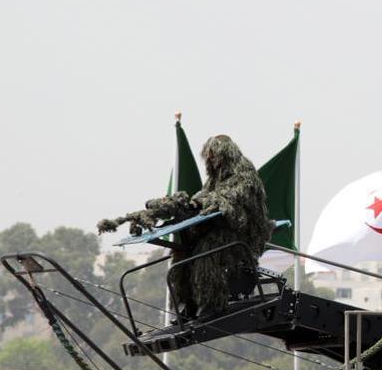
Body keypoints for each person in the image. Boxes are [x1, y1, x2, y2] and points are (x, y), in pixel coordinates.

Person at [98, 134, 273, 320]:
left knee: (206, 252)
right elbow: (203, 195)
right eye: (209, 156)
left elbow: (231, 200)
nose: (211, 160)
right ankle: (190, 304)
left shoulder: (244, 175)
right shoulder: (215, 179)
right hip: (220, 229)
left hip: (241, 233)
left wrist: (202, 203)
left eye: (214, 155)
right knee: (184, 253)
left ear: (226, 154)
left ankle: (213, 304)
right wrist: (182, 205)